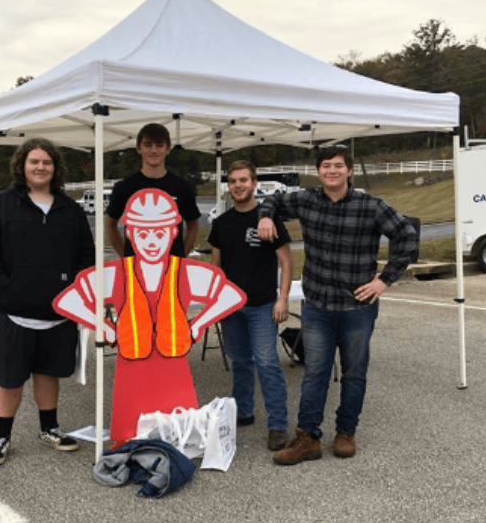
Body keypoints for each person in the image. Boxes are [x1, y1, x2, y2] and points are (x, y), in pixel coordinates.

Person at [257, 145, 418, 464]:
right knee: (315, 372)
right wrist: (265, 217)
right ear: (318, 171)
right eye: (326, 166)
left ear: (349, 170)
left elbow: (407, 235)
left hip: (358, 309)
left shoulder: (370, 206)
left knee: (354, 373)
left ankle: (346, 431)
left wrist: (384, 280)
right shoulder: (306, 200)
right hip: (318, 306)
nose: (332, 170)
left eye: (338, 165)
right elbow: (272, 200)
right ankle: (308, 438)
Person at [54, 188, 246, 448]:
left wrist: (197, 324)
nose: (152, 242)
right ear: (130, 234)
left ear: (173, 233)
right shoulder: (117, 273)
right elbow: (68, 300)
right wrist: (105, 328)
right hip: (131, 369)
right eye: (143, 234)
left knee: (180, 435)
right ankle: (129, 443)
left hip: (174, 368)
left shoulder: (184, 271)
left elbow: (231, 295)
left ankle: (178, 445)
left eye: (160, 233)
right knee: (128, 434)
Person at [0, 138, 95, 466]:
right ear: (22, 166)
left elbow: (86, 255)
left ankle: (49, 429)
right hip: (10, 311)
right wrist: (4, 284)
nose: (41, 167)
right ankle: (1, 436)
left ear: (56, 168)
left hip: (57, 312)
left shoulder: (70, 210)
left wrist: (74, 290)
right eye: (34, 161)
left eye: (47, 162)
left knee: (48, 371)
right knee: (7, 376)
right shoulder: (2, 204)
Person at [207, 160, 293, 451]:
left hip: (262, 306)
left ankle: (278, 424)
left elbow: (286, 262)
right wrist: (215, 304)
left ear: (254, 183)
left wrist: (282, 299)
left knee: (267, 363)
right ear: (228, 186)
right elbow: (216, 268)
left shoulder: (268, 219)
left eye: (243, 180)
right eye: (233, 181)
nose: (238, 185)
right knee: (240, 362)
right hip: (232, 308)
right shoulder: (221, 224)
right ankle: (243, 412)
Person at [105, 123, 201, 258]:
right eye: (148, 145)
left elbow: (193, 224)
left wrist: (181, 256)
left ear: (168, 148)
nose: (154, 150)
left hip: (172, 267)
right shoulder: (124, 187)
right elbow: (110, 223)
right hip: (136, 267)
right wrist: (126, 256)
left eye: (159, 145)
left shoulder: (182, 187)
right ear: (139, 148)